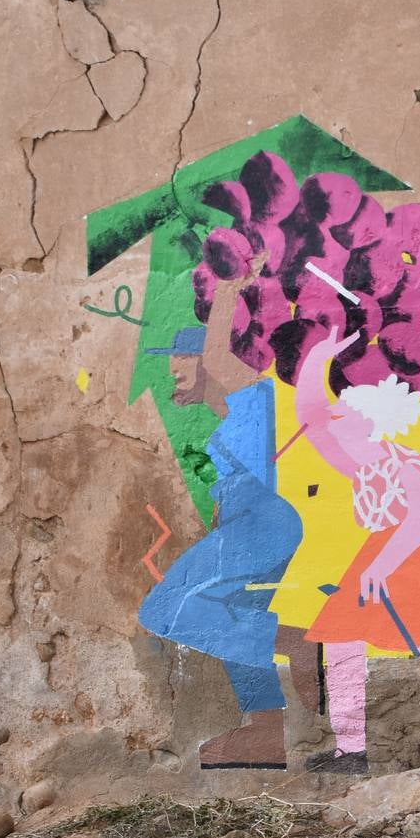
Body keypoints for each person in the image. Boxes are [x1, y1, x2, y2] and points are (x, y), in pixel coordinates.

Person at [135, 267, 321, 770]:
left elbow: (221, 354)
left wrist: (226, 287)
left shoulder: (251, 396)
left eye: (182, 355)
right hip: (255, 525)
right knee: (234, 614)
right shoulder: (230, 421)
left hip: (262, 525)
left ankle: (294, 642)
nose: (173, 366)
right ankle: (265, 732)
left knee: (165, 608)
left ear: (210, 363)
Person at [294, 327, 420, 773]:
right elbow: (311, 417)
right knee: (341, 631)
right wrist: (315, 360)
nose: (334, 416)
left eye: (346, 411)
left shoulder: (403, 465)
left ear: (371, 422)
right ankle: (352, 748)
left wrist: (382, 566)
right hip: (390, 548)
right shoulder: (357, 464)